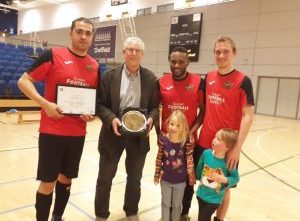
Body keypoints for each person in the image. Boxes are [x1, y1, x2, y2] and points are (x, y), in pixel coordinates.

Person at [17, 17, 99, 221]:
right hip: (51, 132)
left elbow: (93, 100)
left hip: (78, 134)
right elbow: (23, 81)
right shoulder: (52, 55)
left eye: (88, 33)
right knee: (48, 182)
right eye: (79, 31)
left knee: (67, 179)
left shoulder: (95, 66)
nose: (83, 36)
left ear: (92, 38)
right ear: (70, 33)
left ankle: (58, 217)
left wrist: (91, 114)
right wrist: (45, 104)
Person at [94, 36, 159, 221]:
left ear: (142, 54)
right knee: (105, 178)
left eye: (137, 50)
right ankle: (101, 214)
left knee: (135, 179)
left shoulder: (150, 78)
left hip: (139, 137)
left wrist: (151, 120)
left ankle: (131, 211)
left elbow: (155, 107)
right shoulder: (109, 76)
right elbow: (99, 105)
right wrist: (112, 119)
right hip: (112, 134)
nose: (133, 53)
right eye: (129, 49)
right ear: (123, 53)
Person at [191, 35, 254, 221]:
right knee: (204, 182)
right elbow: (203, 109)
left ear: (234, 53)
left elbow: (248, 116)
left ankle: (220, 218)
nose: (221, 55)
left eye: (225, 51)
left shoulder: (243, 81)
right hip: (205, 142)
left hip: (227, 147)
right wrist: (194, 130)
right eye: (217, 51)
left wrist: (237, 147)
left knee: (224, 188)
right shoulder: (208, 77)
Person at [155, 46, 203, 221]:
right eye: (173, 61)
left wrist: (191, 132)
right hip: (168, 142)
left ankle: (183, 213)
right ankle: (166, 214)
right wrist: (158, 133)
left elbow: (203, 111)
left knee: (188, 179)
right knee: (167, 177)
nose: (176, 65)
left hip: (189, 142)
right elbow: (155, 108)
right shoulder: (161, 82)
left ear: (188, 62)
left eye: (181, 61)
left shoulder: (198, 82)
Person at [154, 110, 196, 221]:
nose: (174, 127)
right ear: (167, 124)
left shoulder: (186, 141)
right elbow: (159, 158)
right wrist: (156, 174)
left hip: (180, 181)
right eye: (172, 124)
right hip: (165, 180)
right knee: (165, 204)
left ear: (183, 128)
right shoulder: (163, 140)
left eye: (178, 125)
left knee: (177, 205)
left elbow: (189, 159)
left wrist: (191, 176)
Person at [196, 128, 239, 221]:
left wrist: (224, 179)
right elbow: (200, 167)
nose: (214, 139)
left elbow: (236, 178)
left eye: (218, 139)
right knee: (202, 216)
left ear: (227, 147)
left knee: (203, 218)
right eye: (215, 137)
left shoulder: (228, 162)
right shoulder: (206, 153)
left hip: (214, 199)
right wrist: (197, 177)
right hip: (201, 194)